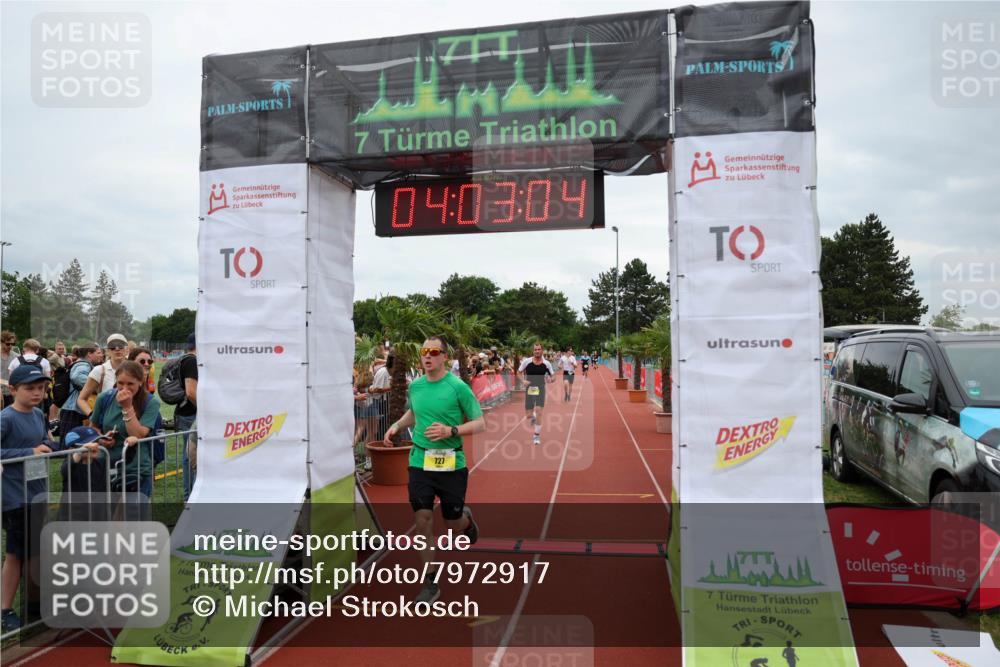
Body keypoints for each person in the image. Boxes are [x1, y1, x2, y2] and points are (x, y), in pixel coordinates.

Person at [383, 335, 485, 604]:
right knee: (423, 520)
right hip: (420, 461)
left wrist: (451, 430)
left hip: (451, 462)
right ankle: (430, 582)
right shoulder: (416, 387)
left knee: (451, 523)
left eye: (433, 352)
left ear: (444, 357)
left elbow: (479, 423)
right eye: (424, 352)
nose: (427, 356)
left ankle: (465, 521)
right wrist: (396, 426)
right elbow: (414, 414)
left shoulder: (458, 387)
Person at [1, 365, 58, 632]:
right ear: (13, 390)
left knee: (35, 551)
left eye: (41, 388)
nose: (37, 393)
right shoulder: (6, 418)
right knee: (16, 554)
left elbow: (44, 442)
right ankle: (6, 609)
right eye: (30, 388)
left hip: (38, 493)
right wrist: (29, 451)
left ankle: (35, 604)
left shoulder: (38, 414)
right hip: (15, 497)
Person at [58, 344, 103, 443]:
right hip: (73, 410)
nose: (101, 355)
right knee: (72, 443)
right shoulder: (83, 364)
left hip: (74, 408)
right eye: (98, 353)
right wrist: (94, 385)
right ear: (89, 354)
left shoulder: (84, 364)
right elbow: (77, 377)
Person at [77, 333, 129, 416]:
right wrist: (93, 416)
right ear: (108, 351)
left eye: (121, 345)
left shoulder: (135, 370)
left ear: (127, 350)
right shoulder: (99, 370)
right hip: (106, 424)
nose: (117, 348)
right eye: (112, 346)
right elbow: (81, 399)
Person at [174, 334, 198, 499]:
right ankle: (189, 497)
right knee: (190, 457)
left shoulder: (186, 359)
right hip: (190, 414)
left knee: (190, 455)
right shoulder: (192, 361)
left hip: (186, 413)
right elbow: (191, 392)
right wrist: (206, 411)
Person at [518, 343, 555, 446]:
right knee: (529, 416)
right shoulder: (527, 362)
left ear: (542, 350)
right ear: (533, 351)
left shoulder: (547, 363)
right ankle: (533, 417)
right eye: (535, 350)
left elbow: (553, 376)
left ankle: (536, 435)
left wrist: (551, 380)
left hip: (541, 389)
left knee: (539, 411)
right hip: (529, 389)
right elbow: (518, 372)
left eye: (539, 349)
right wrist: (523, 381)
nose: (537, 351)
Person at [1, 331, 17, 409]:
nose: (10, 346)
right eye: (8, 344)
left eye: (12, 344)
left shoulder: (16, 357)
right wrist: (5, 382)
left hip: (11, 393)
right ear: (1, 342)